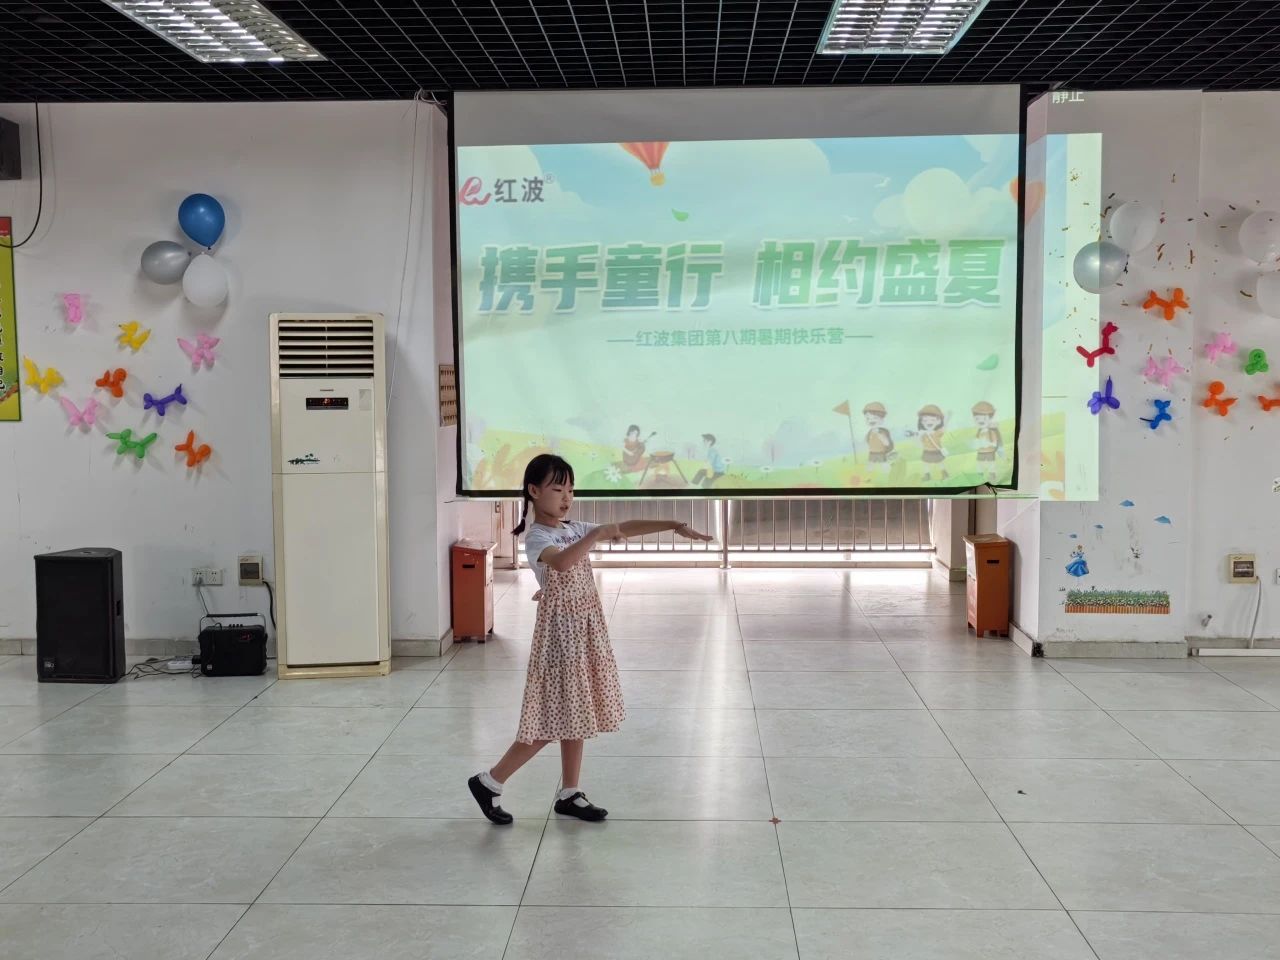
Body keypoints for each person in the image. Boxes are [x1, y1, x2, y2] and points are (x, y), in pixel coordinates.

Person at [468, 453, 711, 825]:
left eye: (571, 489)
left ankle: (569, 792)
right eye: (557, 489)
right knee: (551, 720)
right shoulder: (538, 537)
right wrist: (596, 534)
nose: (567, 497)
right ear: (534, 491)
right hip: (559, 639)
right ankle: (490, 781)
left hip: (582, 633)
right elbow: (561, 562)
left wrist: (673, 524)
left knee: (576, 711)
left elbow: (623, 527)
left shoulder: (572, 528)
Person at [971, 401, 1004, 483]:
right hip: (980, 452)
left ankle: (992, 476)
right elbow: (977, 441)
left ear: (990, 418)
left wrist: (988, 444)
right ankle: (979, 476)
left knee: (991, 464)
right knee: (979, 464)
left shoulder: (991, 431)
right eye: (977, 418)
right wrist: (977, 444)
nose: (980, 421)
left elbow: (995, 442)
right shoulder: (979, 431)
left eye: (984, 418)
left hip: (989, 451)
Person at [917, 404, 948, 482]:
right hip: (927, 451)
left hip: (936, 450)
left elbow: (944, 428)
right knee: (926, 463)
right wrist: (919, 436)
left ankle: (944, 473)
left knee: (940, 462)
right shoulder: (924, 433)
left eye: (932, 420)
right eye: (925, 420)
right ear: (921, 422)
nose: (929, 422)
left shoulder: (937, 432)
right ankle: (927, 475)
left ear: (938, 421)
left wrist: (948, 417)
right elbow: (920, 442)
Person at [863, 402, 894, 475]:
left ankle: (888, 474)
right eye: (868, 418)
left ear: (882, 419)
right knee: (870, 465)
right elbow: (867, 441)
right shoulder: (870, 432)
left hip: (880, 452)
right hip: (872, 452)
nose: (871, 420)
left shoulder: (882, 431)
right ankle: (868, 476)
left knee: (884, 464)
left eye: (875, 418)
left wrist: (880, 436)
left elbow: (887, 443)